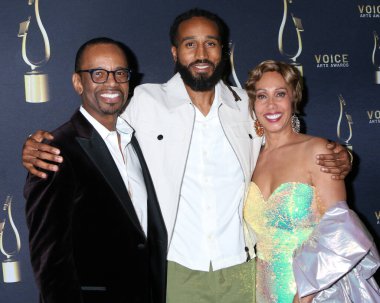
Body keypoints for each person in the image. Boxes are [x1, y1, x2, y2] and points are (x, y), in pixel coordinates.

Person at [22, 9, 351, 303]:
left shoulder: (247, 106)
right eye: (190, 44)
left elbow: (284, 147)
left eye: (211, 43)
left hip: (243, 271)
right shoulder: (143, 102)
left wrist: (342, 155)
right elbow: (96, 128)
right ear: (175, 52)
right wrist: (39, 143)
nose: (201, 52)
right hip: (176, 273)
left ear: (224, 51)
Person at [24, 37, 167, 303]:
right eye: (98, 73)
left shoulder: (135, 140)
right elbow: (50, 262)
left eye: (120, 73)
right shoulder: (54, 152)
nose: (111, 82)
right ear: (78, 82)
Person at [244, 60, 380, 303]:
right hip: (262, 290)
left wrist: (304, 295)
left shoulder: (319, 151)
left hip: (316, 291)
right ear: (253, 104)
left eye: (280, 94)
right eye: (262, 96)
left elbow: (339, 231)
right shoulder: (249, 159)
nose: (271, 104)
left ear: (293, 99)